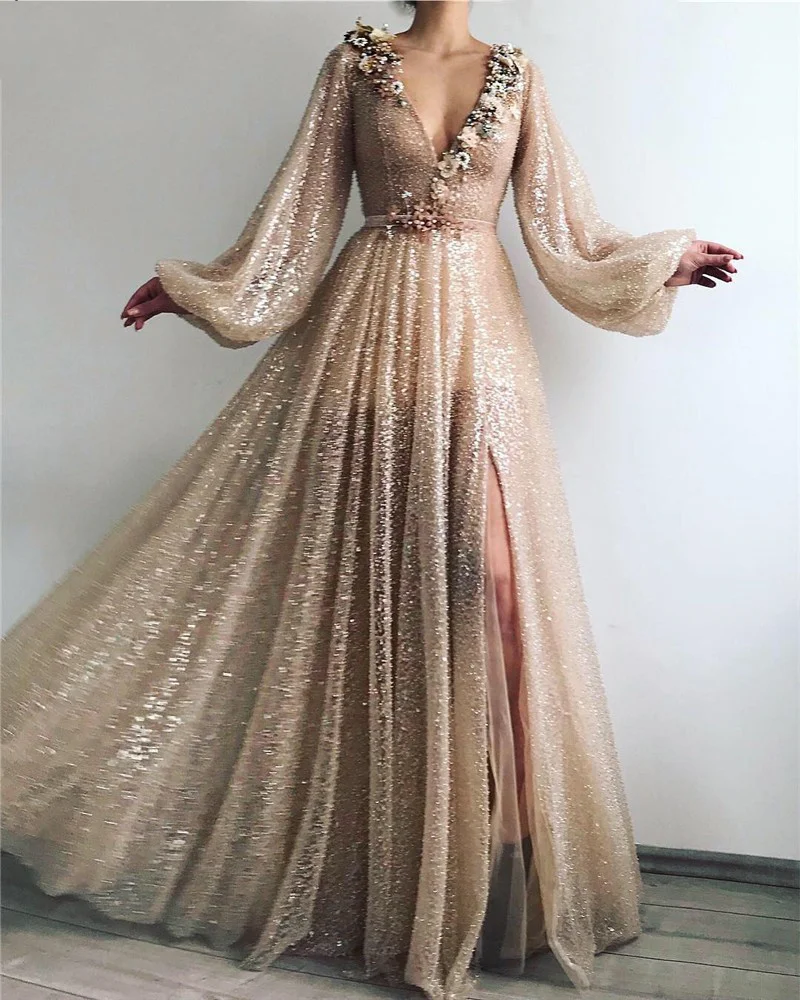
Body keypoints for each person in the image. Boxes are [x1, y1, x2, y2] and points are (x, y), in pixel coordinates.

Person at [2, 3, 742, 999]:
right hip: (367, 348)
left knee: (499, 602)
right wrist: (206, 289)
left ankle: (506, 872)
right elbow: (299, 212)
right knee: (373, 608)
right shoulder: (354, 65)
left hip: (481, 347)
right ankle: (387, 881)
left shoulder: (517, 74)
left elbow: (565, 226)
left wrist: (658, 260)